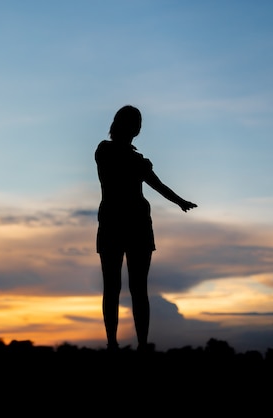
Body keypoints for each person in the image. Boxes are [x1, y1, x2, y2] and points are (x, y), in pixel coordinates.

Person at [95, 105, 197, 352]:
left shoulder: (137, 160)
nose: (135, 127)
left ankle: (140, 344)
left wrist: (180, 202)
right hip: (115, 224)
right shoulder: (107, 151)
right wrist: (141, 165)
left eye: (136, 123)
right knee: (115, 287)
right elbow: (132, 174)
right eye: (133, 122)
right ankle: (113, 344)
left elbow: (158, 186)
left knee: (136, 288)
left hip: (136, 225)